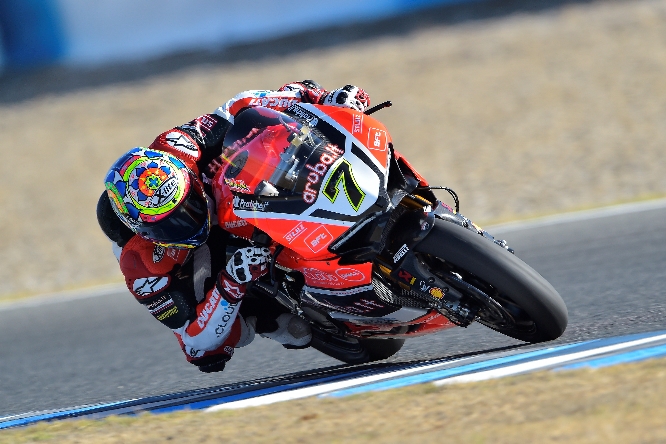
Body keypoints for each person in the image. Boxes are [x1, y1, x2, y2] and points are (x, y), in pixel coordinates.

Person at [97, 81, 371, 373]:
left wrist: (325, 98)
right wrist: (232, 281)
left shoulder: (179, 145)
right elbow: (193, 333)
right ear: (144, 231)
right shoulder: (139, 260)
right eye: (171, 224)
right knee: (204, 353)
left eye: (188, 204)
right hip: (195, 254)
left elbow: (241, 105)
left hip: (223, 193)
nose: (188, 220)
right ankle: (264, 317)